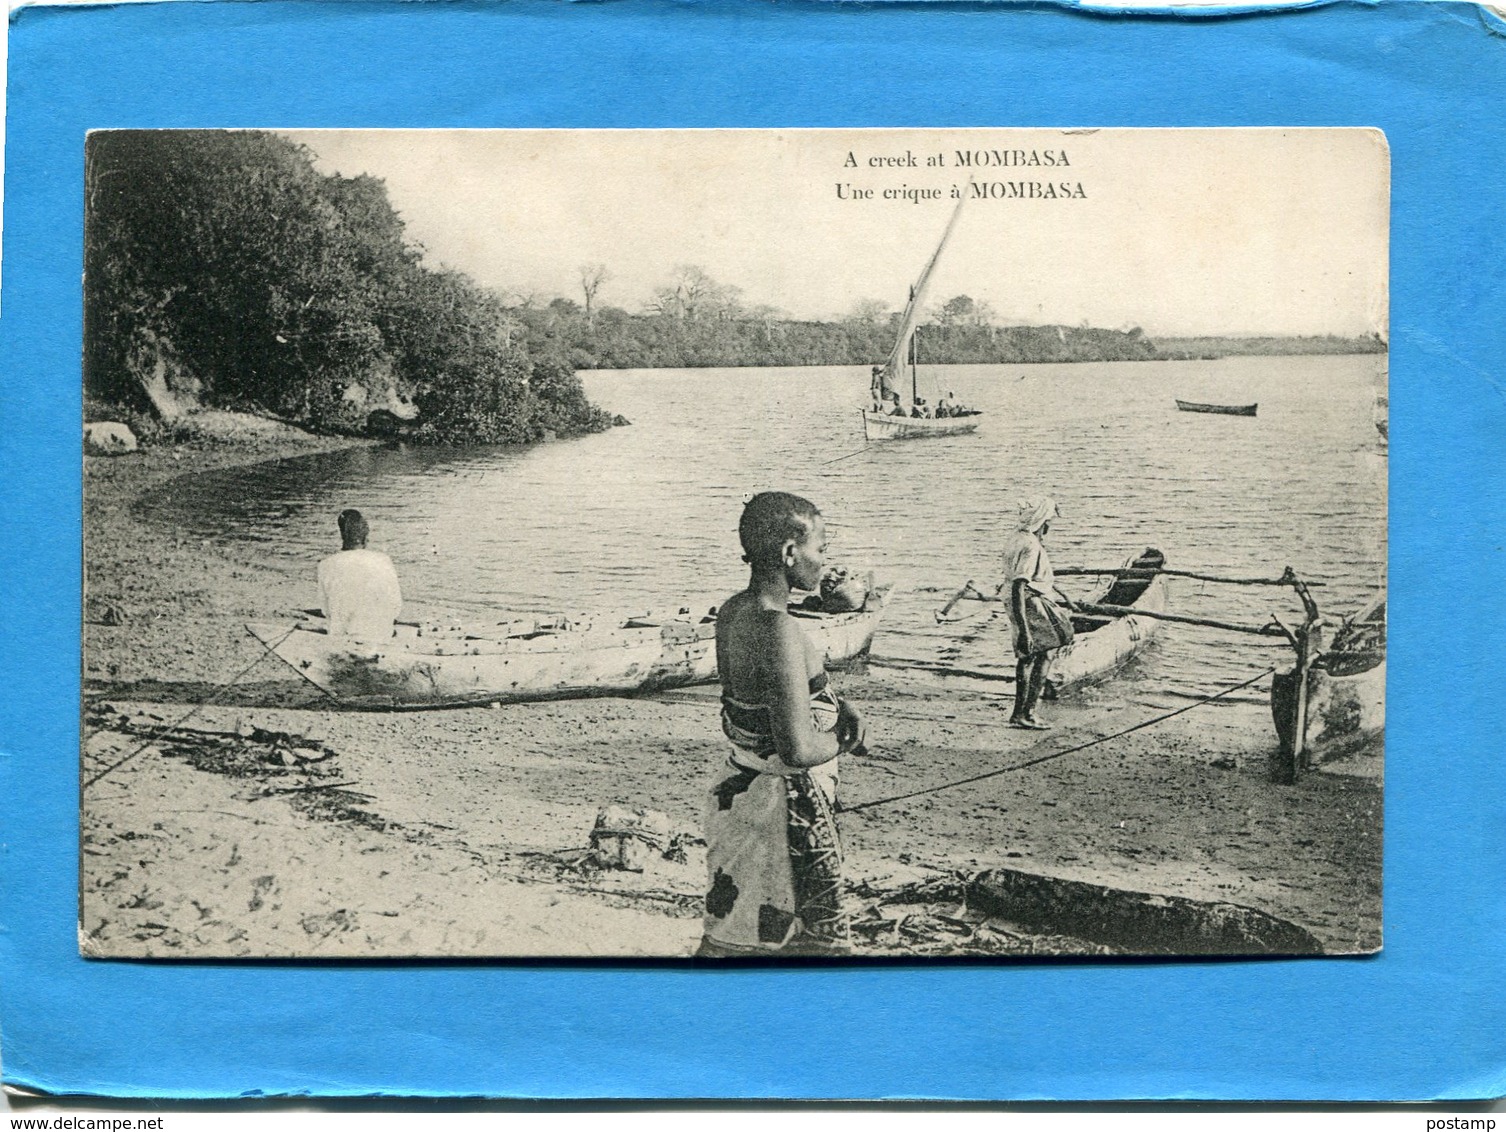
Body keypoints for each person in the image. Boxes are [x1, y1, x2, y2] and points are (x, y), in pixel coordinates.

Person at [699, 491, 866, 957]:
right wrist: (840, 738)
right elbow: (796, 749)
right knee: (803, 946)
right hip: (782, 811)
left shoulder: (735, 611)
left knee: (732, 932)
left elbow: (762, 696)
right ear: (790, 553)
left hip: (740, 794)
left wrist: (836, 700)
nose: (825, 560)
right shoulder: (779, 628)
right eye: (821, 548)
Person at [999, 497, 1075, 729]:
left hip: (1017, 598)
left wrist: (1062, 595)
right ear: (1040, 522)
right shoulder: (1032, 546)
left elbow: (1019, 579)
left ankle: (1018, 713)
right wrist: (1024, 630)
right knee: (1046, 651)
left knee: (1027, 656)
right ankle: (1028, 713)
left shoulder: (1016, 537)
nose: (1049, 526)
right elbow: (1021, 584)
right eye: (1048, 521)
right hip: (1029, 601)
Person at [316, 509, 402, 643]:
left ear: (342, 535)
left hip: (342, 639)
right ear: (365, 538)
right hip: (381, 637)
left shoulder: (325, 564)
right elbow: (396, 606)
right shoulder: (383, 560)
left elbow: (325, 610)